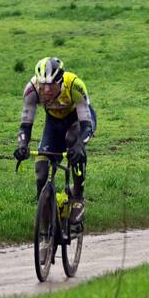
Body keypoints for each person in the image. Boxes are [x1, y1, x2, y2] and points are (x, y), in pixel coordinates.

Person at [13, 57, 95, 224]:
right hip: (54, 124)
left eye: (51, 84)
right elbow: (25, 126)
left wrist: (80, 144)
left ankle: (78, 196)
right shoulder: (32, 90)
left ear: (60, 80)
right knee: (41, 172)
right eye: (43, 84)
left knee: (73, 140)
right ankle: (46, 231)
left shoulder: (75, 85)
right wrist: (22, 145)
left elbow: (87, 126)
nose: (47, 89)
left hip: (77, 121)